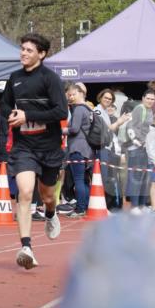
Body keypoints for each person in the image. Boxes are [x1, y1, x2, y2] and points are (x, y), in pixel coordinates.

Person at [2, 33, 68, 269]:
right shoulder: (15, 78)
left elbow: (61, 112)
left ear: (41, 54)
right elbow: (5, 105)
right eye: (22, 49)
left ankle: (50, 213)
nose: (23, 53)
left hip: (49, 147)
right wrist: (11, 114)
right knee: (25, 192)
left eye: (29, 50)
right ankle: (26, 247)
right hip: (24, 147)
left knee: (48, 196)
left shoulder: (50, 79)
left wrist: (28, 116)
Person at [95, 89, 131, 211]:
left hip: (109, 150)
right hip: (101, 149)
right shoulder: (98, 111)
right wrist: (119, 122)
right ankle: (106, 207)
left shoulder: (105, 112)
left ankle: (112, 205)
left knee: (111, 179)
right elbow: (105, 130)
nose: (108, 100)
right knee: (104, 179)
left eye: (110, 99)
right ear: (100, 97)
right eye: (106, 98)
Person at [125, 89, 155, 213]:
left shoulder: (149, 110)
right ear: (143, 98)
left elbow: (145, 128)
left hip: (144, 148)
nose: (150, 101)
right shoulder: (139, 108)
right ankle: (134, 207)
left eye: (152, 99)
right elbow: (132, 126)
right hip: (137, 148)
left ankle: (142, 205)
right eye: (148, 98)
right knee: (136, 178)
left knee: (144, 178)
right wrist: (139, 141)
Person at [66, 83, 93, 219]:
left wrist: (62, 130)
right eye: (69, 95)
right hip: (87, 149)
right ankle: (85, 205)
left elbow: (74, 129)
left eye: (73, 94)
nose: (71, 97)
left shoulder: (78, 110)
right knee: (84, 180)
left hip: (77, 148)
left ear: (81, 93)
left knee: (78, 180)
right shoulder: (88, 109)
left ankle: (80, 208)